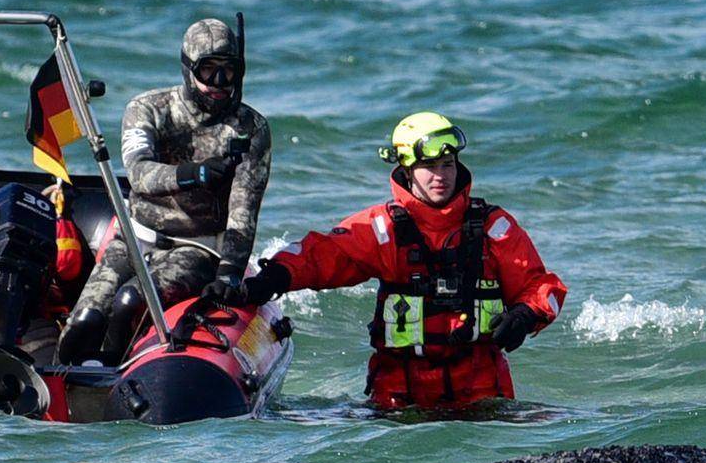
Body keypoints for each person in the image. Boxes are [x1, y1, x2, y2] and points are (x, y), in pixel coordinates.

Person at [236, 112, 565, 408]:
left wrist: (524, 315)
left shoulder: (494, 228)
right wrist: (271, 278)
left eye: (448, 165)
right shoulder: (382, 229)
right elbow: (321, 256)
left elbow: (542, 287)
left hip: (483, 399)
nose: (441, 176)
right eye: (429, 167)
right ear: (407, 171)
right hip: (399, 403)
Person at [58, 17, 271, 364]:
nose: (219, 83)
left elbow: (243, 209)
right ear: (188, 70)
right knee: (85, 322)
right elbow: (139, 174)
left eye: (228, 72)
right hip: (134, 239)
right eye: (208, 71)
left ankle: (113, 387)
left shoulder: (250, 129)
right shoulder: (148, 109)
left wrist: (229, 272)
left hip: (197, 249)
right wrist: (194, 174)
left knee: (129, 302)